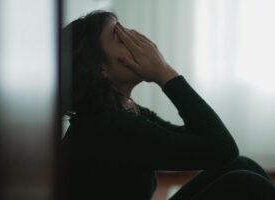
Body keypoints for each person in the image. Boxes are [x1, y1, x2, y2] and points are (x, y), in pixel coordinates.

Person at [61, 10, 275, 200]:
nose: (137, 42)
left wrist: (164, 72)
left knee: (242, 165)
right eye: (121, 38)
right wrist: (165, 73)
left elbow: (207, 144)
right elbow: (222, 148)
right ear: (102, 70)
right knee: (246, 183)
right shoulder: (110, 128)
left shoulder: (125, 111)